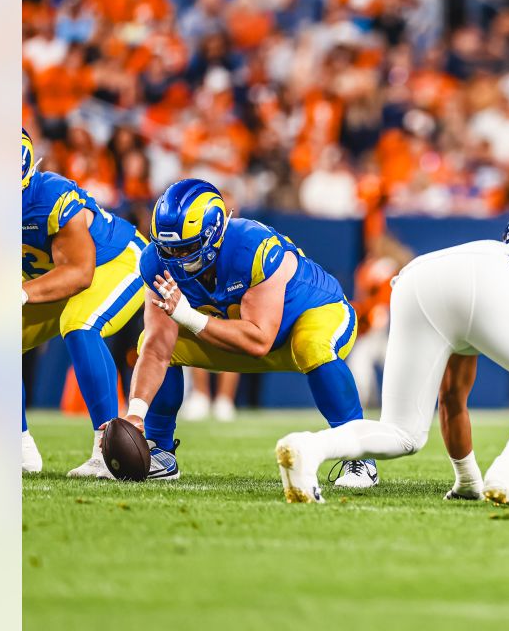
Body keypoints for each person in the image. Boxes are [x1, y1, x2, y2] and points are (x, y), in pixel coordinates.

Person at [273, 209, 509, 508]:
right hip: (490, 276)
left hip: (418, 275)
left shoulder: (498, 256)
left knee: (401, 433)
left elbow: (452, 396)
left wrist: (468, 481)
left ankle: (309, 447)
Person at [110, 179, 377, 488]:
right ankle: (160, 449)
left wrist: (189, 317)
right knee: (152, 342)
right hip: (250, 330)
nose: (176, 259)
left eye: (186, 248)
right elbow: (157, 348)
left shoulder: (252, 247)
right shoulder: (156, 261)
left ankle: (360, 455)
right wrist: (135, 415)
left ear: (215, 235)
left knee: (312, 345)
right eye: (167, 248)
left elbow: (260, 340)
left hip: (314, 314)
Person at [22, 128, 146, 478]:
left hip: (114, 260)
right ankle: (18, 448)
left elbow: (79, 272)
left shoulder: (49, 197)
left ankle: (107, 451)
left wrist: (19, 293)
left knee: (79, 323)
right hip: (50, 272)